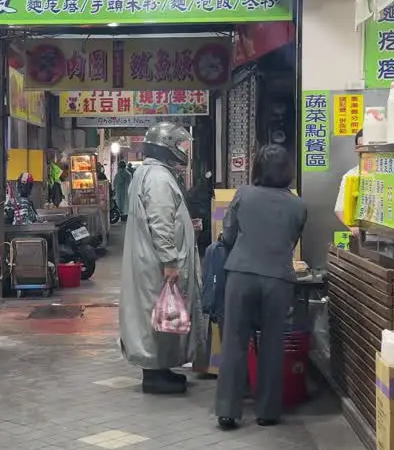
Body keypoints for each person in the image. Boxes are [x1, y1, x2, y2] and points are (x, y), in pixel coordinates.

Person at [215, 144, 309, 429]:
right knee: (271, 344)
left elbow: (228, 233)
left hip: (241, 274)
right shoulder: (298, 204)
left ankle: (228, 411)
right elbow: (291, 241)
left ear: (257, 168)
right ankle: (268, 411)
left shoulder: (243, 194)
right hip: (278, 278)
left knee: (234, 342)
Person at [119, 122, 205, 395]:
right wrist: (170, 261)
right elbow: (160, 222)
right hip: (157, 262)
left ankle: (160, 368)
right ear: (166, 147)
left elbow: (166, 217)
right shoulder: (158, 178)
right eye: (179, 145)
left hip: (148, 259)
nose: (183, 150)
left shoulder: (150, 174)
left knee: (155, 315)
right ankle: (155, 375)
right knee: (159, 315)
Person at [334, 130, 364, 234]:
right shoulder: (351, 175)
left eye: (368, 146)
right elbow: (340, 209)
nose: (364, 151)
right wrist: (353, 228)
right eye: (360, 147)